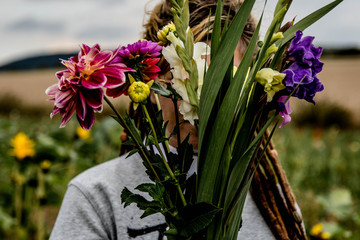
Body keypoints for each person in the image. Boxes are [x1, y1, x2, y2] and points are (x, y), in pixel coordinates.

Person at [50, 0, 306, 239]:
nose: (203, 101)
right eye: (186, 78)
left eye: (225, 82)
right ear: (150, 83)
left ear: (249, 86)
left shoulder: (274, 200)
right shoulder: (94, 197)